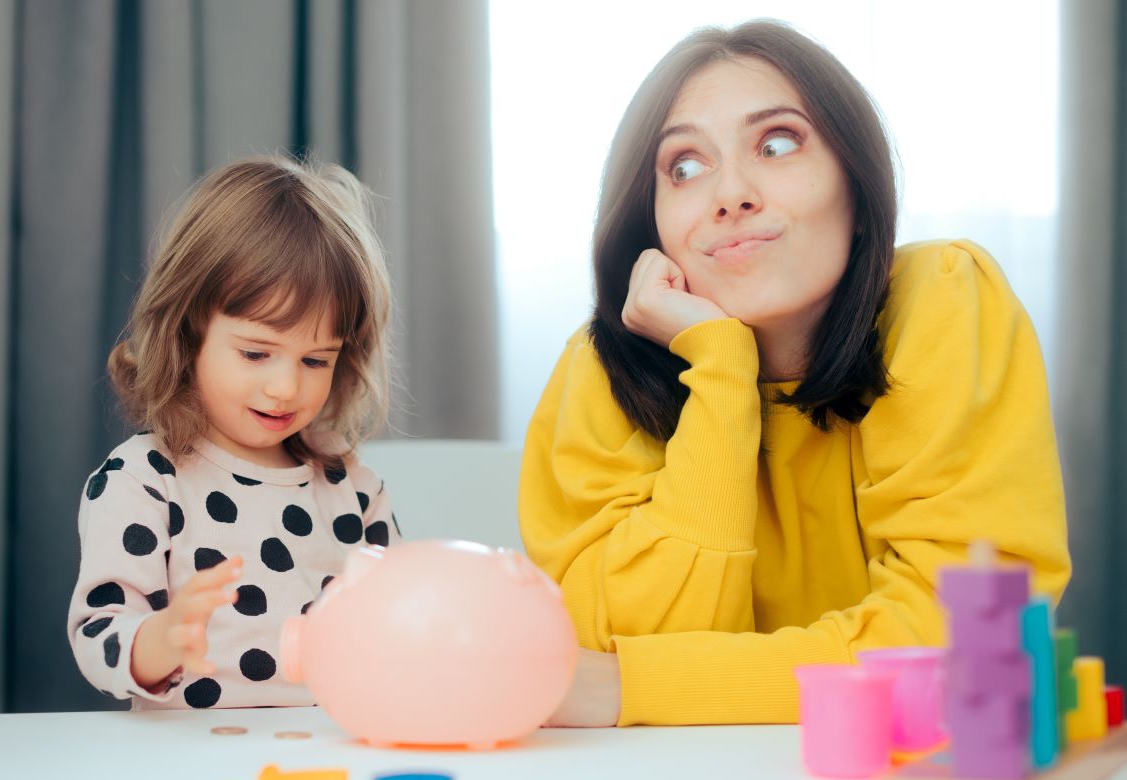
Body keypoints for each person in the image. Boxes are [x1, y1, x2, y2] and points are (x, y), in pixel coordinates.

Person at [520, 21, 1071, 727]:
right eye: (684, 166)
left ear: (855, 179)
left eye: (777, 144)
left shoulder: (943, 299)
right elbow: (622, 644)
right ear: (650, 221)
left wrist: (642, 687)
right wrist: (719, 368)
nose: (731, 193)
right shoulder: (601, 368)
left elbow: (963, 648)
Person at [67, 155, 399, 710]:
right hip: (189, 769)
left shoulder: (355, 489)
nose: (285, 388)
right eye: (255, 353)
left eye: (316, 361)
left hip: (329, 761)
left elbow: (397, 622)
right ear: (188, 331)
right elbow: (99, 634)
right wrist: (163, 637)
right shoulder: (144, 480)